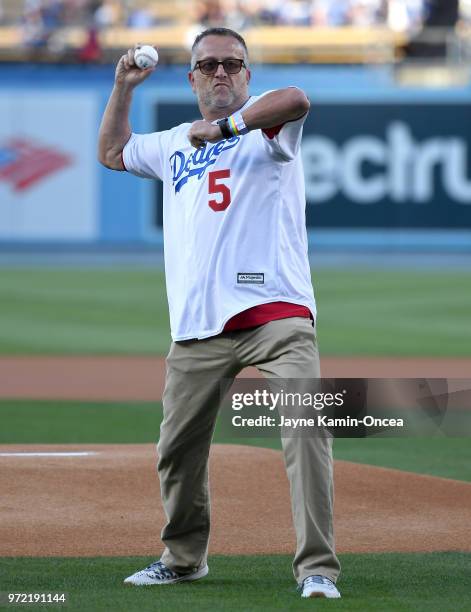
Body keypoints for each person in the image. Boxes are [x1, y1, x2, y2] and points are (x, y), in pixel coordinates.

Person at [98, 27, 341, 599]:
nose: (221, 74)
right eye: (208, 66)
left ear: (247, 75)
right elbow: (112, 152)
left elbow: (298, 98)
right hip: (197, 330)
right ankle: (184, 559)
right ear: (192, 79)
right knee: (176, 451)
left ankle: (317, 570)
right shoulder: (174, 142)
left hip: (277, 319)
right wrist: (123, 86)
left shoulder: (268, 131)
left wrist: (228, 126)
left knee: (307, 431)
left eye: (233, 64)